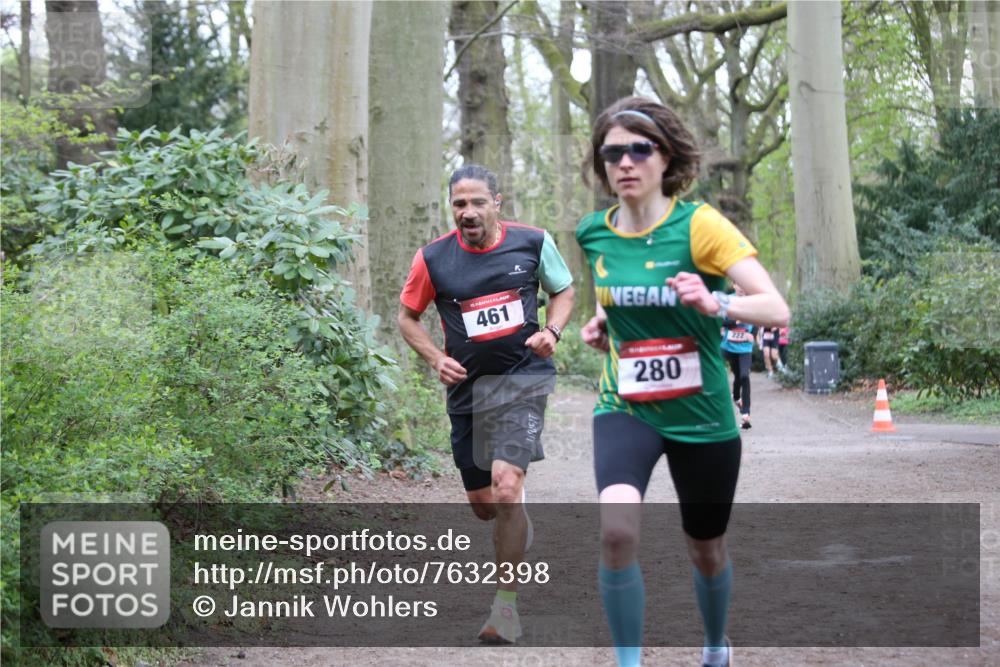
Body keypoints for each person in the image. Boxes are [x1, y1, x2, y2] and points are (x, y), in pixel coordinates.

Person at [576, 96, 789, 667]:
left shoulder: (701, 227)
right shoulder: (594, 234)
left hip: (701, 414)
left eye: (639, 149)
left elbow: (775, 308)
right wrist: (602, 326)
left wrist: (717, 301)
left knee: (707, 549)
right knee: (617, 531)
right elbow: (615, 306)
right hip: (627, 404)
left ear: (665, 158)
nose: (625, 162)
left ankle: (716, 644)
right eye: (612, 152)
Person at [398, 163, 575, 643]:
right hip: (467, 390)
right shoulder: (432, 259)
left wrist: (551, 330)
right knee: (483, 506)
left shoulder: (533, 242)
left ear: (498, 203)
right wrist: (436, 357)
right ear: (450, 207)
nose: (468, 212)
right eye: (459, 204)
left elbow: (562, 290)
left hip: (522, 378)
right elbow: (408, 318)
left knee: (504, 484)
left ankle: (506, 609)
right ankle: (514, 518)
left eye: (478, 202)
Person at [720, 288, 756, 429]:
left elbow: (758, 319)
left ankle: (746, 413)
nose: (742, 287)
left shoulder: (753, 301)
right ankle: (735, 397)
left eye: (744, 285)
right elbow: (720, 321)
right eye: (738, 284)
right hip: (728, 346)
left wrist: (753, 333)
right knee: (719, 371)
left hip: (745, 348)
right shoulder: (728, 299)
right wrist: (735, 321)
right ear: (734, 285)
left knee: (744, 376)